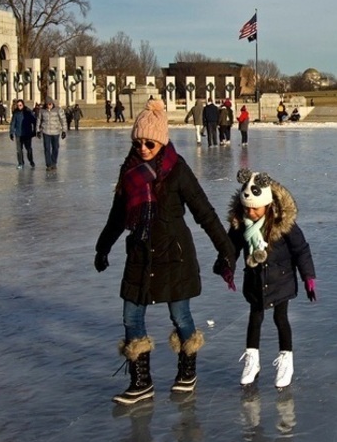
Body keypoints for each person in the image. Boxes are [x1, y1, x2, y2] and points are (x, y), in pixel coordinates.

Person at [94, 98, 237, 404]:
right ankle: (141, 382)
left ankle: (187, 371)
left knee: (180, 315)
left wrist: (226, 248)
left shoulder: (177, 169)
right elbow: (119, 214)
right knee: (131, 316)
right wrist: (103, 246)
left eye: (150, 143)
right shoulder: (129, 171)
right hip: (140, 254)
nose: (143, 148)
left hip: (174, 254)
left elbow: (204, 211)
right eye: (139, 142)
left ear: (161, 141)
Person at [222, 169, 317, 388]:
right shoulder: (240, 224)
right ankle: (252, 360)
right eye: (247, 208)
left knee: (280, 319)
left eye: (255, 208)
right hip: (255, 279)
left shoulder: (283, 224)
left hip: (281, 280)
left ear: (267, 204)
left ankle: (286, 360)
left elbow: (301, 250)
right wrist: (226, 267)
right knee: (255, 318)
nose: (251, 212)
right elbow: (231, 248)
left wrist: (308, 277)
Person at [37, 97, 66, 171]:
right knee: (47, 148)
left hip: (55, 132)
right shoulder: (42, 111)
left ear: (52, 103)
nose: (49, 106)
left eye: (50, 104)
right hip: (46, 131)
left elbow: (63, 120)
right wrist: (37, 131)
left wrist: (64, 131)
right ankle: (48, 164)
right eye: (47, 104)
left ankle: (54, 162)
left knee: (55, 147)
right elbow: (38, 120)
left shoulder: (58, 110)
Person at [9, 99, 37, 168]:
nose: (19, 107)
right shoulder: (16, 113)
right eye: (18, 105)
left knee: (29, 149)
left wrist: (34, 131)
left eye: (20, 105)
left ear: (23, 105)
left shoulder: (28, 112)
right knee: (19, 150)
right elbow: (13, 123)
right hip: (18, 134)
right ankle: (20, 163)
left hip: (27, 134)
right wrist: (11, 132)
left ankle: (31, 160)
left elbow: (34, 121)